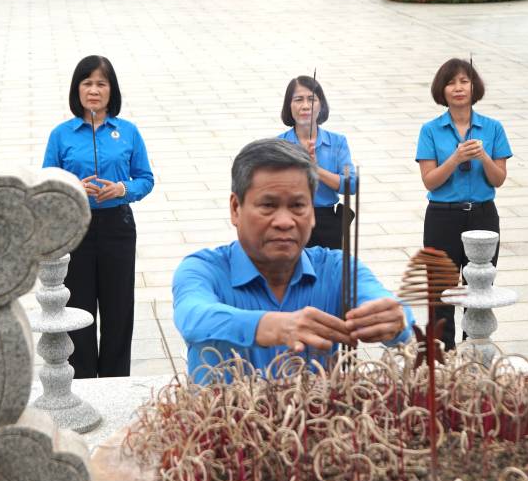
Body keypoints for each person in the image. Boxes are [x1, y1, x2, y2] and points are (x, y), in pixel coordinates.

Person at [172, 138, 412, 378]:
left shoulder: (337, 269)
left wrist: (393, 320)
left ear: (313, 213)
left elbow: (393, 309)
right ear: (236, 208)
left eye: (297, 205)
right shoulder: (203, 269)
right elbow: (193, 316)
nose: (285, 222)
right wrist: (273, 326)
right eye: (268, 205)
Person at [43, 55, 154, 379]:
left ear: (111, 90)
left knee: (119, 308)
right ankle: (81, 381)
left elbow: (145, 179)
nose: (94, 90)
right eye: (87, 83)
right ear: (77, 89)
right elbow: (47, 184)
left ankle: (116, 380)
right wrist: (73, 187)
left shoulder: (128, 131)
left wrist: (122, 189)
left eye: (101, 84)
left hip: (117, 227)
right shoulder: (61, 134)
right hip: (75, 229)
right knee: (78, 308)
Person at [415, 58, 511, 350]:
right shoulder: (430, 130)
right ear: (441, 90)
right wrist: (455, 158)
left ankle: (475, 353)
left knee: (479, 290)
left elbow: (498, 179)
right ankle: (443, 358)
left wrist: (483, 157)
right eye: (451, 82)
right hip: (442, 217)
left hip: (482, 216)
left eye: (464, 81)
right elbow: (430, 181)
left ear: (474, 87)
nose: (458, 88)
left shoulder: (492, 128)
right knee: (441, 293)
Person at [276, 75, 357, 250]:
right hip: (289, 220)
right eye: (298, 99)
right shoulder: (278, 145)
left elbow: (351, 185)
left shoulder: (337, 142)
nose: (305, 106)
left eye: (312, 99)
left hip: (327, 223)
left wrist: (316, 170)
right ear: (289, 105)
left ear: (321, 105)